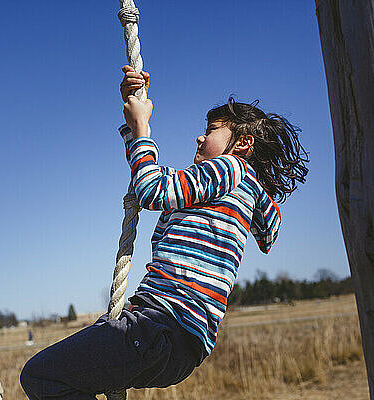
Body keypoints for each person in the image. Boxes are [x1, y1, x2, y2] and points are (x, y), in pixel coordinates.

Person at [20, 66, 309, 399]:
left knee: (42, 375)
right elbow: (269, 234)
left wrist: (141, 127)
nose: (200, 137)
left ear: (243, 144)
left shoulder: (230, 168)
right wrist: (133, 124)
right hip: (181, 343)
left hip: (162, 324)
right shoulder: (246, 193)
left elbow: (152, 189)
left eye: (212, 130)